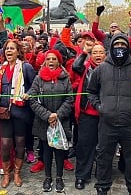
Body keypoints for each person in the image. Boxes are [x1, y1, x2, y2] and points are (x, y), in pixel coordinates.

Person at [86, 34, 131, 195]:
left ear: (128, 48)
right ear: (111, 47)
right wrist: (99, 106)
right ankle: (102, 188)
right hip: (107, 123)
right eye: (117, 44)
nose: (119, 47)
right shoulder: (101, 69)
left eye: (123, 44)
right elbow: (91, 92)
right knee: (104, 159)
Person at [0, 39, 36, 188]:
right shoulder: (1, 69)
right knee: (5, 144)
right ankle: (6, 173)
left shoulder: (26, 67)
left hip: (21, 112)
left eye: (12, 49)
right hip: (4, 112)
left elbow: (35, 86)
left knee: (19, 143)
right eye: (7, 49)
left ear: (18, 51)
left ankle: (17, 173)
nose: (9, 51)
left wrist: (28, 94)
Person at [28, 49, 73, 193]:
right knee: (46, 150)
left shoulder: (65, 78)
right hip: (44, 121)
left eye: (54, 59)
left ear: (59, 61)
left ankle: (59, 177)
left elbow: (69, 99)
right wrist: (47, 115)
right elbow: (33, 99)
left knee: (59, 151)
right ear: (45, 62)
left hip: (61, 120)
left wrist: (57, 115)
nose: (51, 61)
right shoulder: (38, 78)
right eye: (48, 59)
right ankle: (48, 177)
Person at [72, 43, 106, 190]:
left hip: (106, 114)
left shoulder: (111, 69)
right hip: (88, 113)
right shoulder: (85, 68)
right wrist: (84, 52)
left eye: (101, 52)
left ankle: (102, 175)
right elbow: (75, 66)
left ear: (106, 55)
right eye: (95, 52)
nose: (98, 55)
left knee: (104, 147)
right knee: (85, 146)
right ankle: (82, 175)